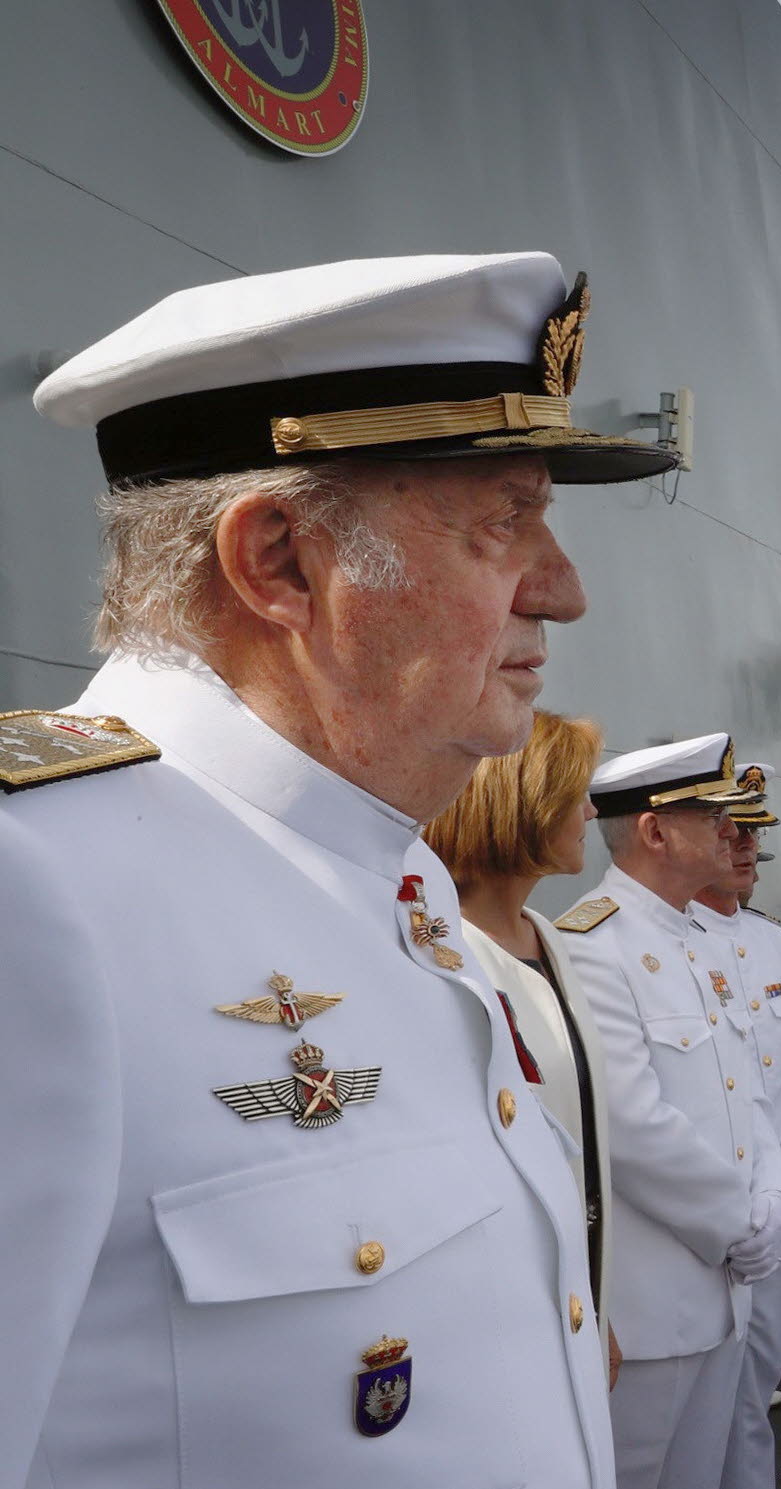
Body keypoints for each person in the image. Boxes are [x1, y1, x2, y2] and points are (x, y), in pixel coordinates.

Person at [1, 251, 676, 1486]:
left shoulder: (389, 872)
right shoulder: (32, 895)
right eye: (505, 520)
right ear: (279, 564)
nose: (565, 590)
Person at [557, 735, 781, 1489]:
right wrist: (738, 1223)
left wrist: (774, 1198)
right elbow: (631, 1124)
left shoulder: (708, 938)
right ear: (655, 831)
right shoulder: (591, 944)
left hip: (726, 1286)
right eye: (711, 815)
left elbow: (752, 1089)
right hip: (654, 1304)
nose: (733, 831)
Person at [423, 707, 621, 1374]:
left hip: (579, 1309)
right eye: (575, 793)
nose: (591, 813)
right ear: (524, 803)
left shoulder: (549, 938)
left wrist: (597, 1308)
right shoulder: (444, 959)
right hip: (509, 1340)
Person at [707, 767, 781, 1489]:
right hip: (714, 1229)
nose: (748, 847)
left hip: (780, 1224)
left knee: (753, 1406)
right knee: (708, 1413)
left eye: (756, 834)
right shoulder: (670, 942)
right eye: (732, 831)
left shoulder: (769, 941)